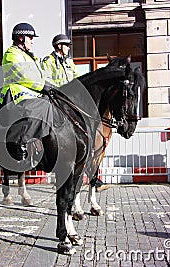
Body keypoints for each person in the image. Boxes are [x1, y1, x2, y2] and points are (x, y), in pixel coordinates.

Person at [42, 33, 108, 192]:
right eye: (66, 45)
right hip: (56, 99)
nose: (69, 48)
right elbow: (45, 80)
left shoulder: (70, 63)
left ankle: (90, 175)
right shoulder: (48, 61)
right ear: (59, 46)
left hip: (70, 101)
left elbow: (78, 81)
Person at [0, 22, 50, 161]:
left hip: (31, 93)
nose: (32, 41)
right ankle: (21, 142)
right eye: (30, 37)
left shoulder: (29, 56)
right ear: (21, 38)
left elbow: (40, 75)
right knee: (42, 107)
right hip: (15, 95)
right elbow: (24, 75)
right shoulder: (11, 54)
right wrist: (43, 86)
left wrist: (51, 86)